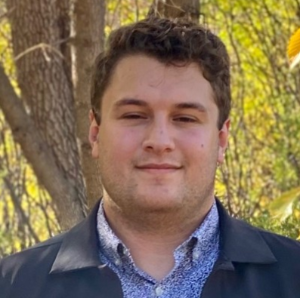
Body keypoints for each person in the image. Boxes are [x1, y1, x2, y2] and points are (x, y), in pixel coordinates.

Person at [0, 17, 300, 298]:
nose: (159, 141)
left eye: (185, 118)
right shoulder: (14, 285)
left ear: (221, 139)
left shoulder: (293, 276)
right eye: (134, 115)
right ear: (95, 133)